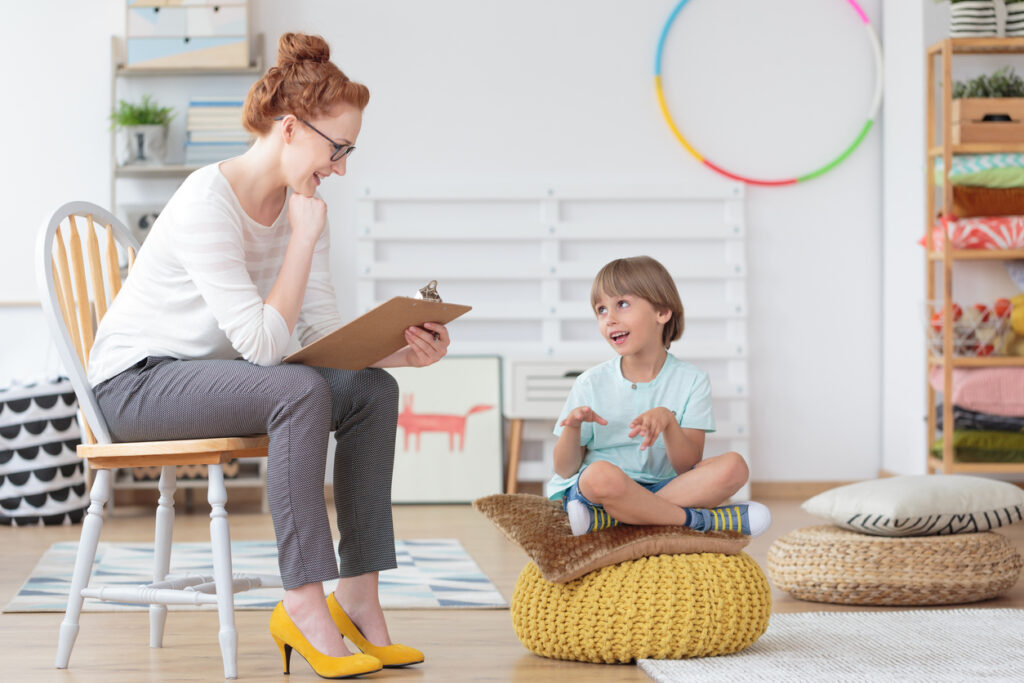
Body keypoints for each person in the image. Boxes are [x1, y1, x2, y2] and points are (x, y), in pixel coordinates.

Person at [88, 33, 435, 678]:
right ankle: (303, 604)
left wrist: (397, 356)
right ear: (289, 128)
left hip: (216, 380)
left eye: (349, 151)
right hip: (133, 386)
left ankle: (358, 599)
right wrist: (301, 241)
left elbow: (321, 335)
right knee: (296, 391)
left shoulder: (304, 208)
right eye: (337, 149)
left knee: (369, 393)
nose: (341, 167)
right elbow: (263, 348)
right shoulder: (205, 201)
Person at [546, 256, 771, 538]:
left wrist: (669, 423)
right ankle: (700, 521)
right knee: (598, 475)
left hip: (666, 487)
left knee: (735, 467)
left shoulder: (692, 380)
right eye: (601, 310)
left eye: (622, 304)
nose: (609, 318)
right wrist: (573, 428)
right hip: (603, 490)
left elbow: (686, 465)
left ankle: (614, 520)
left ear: (662, 312)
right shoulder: (590, 382)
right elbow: (564, 469)